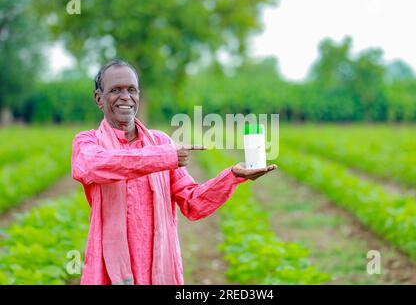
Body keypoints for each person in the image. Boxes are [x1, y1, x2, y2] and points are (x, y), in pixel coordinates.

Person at [71, 59, 277, 285]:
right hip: (110, 273)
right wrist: (165, 157)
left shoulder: (160, 141)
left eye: (132, 90)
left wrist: (233, 176)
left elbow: (193, 203)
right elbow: (91, 166)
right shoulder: (88, 141)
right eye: (115, 90)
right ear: (99, 99)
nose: (126, 97)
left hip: (159, 271)